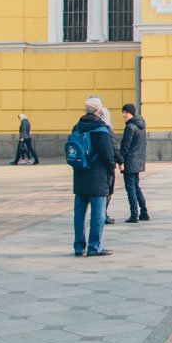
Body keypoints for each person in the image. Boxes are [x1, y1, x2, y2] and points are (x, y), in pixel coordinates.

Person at [70, 96, 116, 256]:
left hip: (80, 175)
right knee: (98, 214)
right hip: (98, 178)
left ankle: (78, 246)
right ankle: (94, 247)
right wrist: (112, 169)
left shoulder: (77, 127)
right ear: (98, 110)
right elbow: (108, 155)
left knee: (79, 214)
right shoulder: (101, 129)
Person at [118, 103, 149, 223]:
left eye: (126, 112)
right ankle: (144, 212)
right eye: (123, 112)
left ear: (131, 112)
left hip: (130, 161)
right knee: (136, 187)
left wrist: (121, 161)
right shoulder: (140, 125)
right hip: (138, 160)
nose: (124, 115)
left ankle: (134, 214)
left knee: (130, 188)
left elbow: (125, 146)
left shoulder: (130, 127)